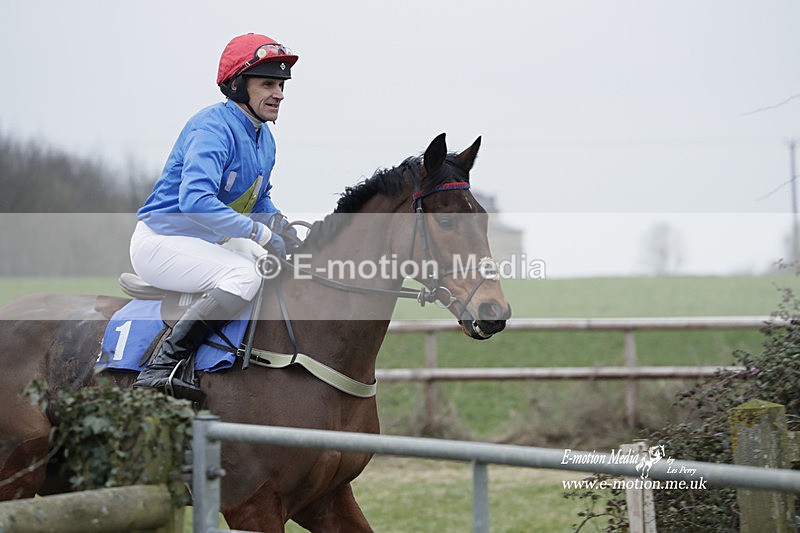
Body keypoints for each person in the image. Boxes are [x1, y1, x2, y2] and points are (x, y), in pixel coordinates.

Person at [129, 33, 298, 401]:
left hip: (206, 242)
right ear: (237, 85)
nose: (279, 93)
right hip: (162, 241)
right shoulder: (212, 127)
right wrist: (260, 232)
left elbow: (259, 199)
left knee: (275, 265)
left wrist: (282, 225)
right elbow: (196, 202)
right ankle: (162, 365)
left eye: (281, 84)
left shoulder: (264, 137)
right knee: (244, 273)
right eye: (268, 83)